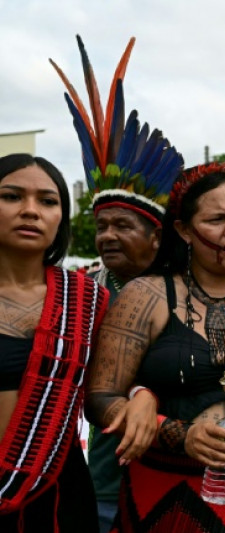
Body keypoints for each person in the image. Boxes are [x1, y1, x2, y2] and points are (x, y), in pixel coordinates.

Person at [85, 162, 225, 532]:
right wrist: (176, 432)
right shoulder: (146, 295)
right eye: (217, 219)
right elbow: (100, 398)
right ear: (184, 231)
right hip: (166, 489)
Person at [51, 34, 183, 532]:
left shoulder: (192, 292)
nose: (107, 236)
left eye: (122, 226)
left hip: (183, 474)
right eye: (101, 226)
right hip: (102, 483)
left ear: (156, 235)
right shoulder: (80, 292)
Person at [0, 153, 109, 532]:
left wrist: (143, 395)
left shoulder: (88, 300)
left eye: (48, 201)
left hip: (58, 493)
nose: (31, 211)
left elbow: (108, 392)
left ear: (61, 216)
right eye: (12, 196)